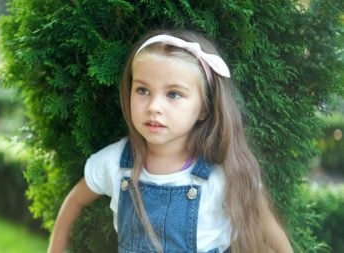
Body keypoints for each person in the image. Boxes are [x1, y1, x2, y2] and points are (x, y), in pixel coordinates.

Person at [47, 30, 294, 253]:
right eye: (142, 90)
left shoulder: (224, 172)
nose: (154, 107)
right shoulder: (114, 163)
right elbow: (76, 200)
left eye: (173, 94)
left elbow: (266, 229)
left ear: (204, 109)